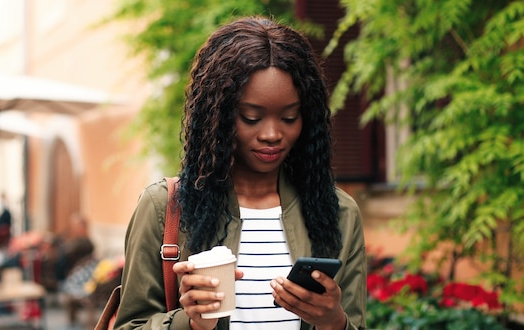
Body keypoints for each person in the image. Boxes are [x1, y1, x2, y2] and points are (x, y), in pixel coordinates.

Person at [114, 16, 366, 330]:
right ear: (216, 117)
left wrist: (334, 322)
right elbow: (130, 325)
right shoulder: (165, 208)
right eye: (250, 118)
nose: (272, 134)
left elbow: (354, 322)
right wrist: (190, 323)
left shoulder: (338, 213)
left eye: (289, 117)